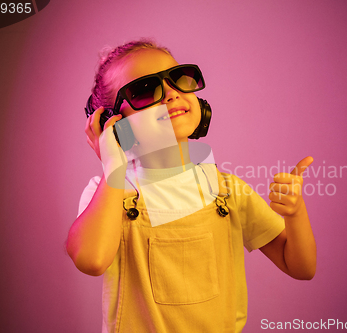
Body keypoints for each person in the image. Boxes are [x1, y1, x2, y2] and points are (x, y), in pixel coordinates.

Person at [66, 39, 317, 333]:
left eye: (178, 79)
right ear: (113, 124)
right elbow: (91, 260)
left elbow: (301, 267)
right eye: (146, 91)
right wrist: (113, 167)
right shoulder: (109, 194)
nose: (172, 94)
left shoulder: (227, 191)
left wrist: (295, 214)